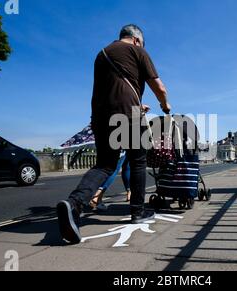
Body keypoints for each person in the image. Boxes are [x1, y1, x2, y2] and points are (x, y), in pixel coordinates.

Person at [57, 24, 171, 244]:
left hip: (100, 117)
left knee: (105, 165)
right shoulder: (138, 51)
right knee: (138, 160)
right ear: (137, 40)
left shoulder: (101, 54)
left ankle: (74, 205)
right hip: (129, 115)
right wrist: (165, 105)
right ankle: (137, 212)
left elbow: (113, 89)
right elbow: (160, 87)